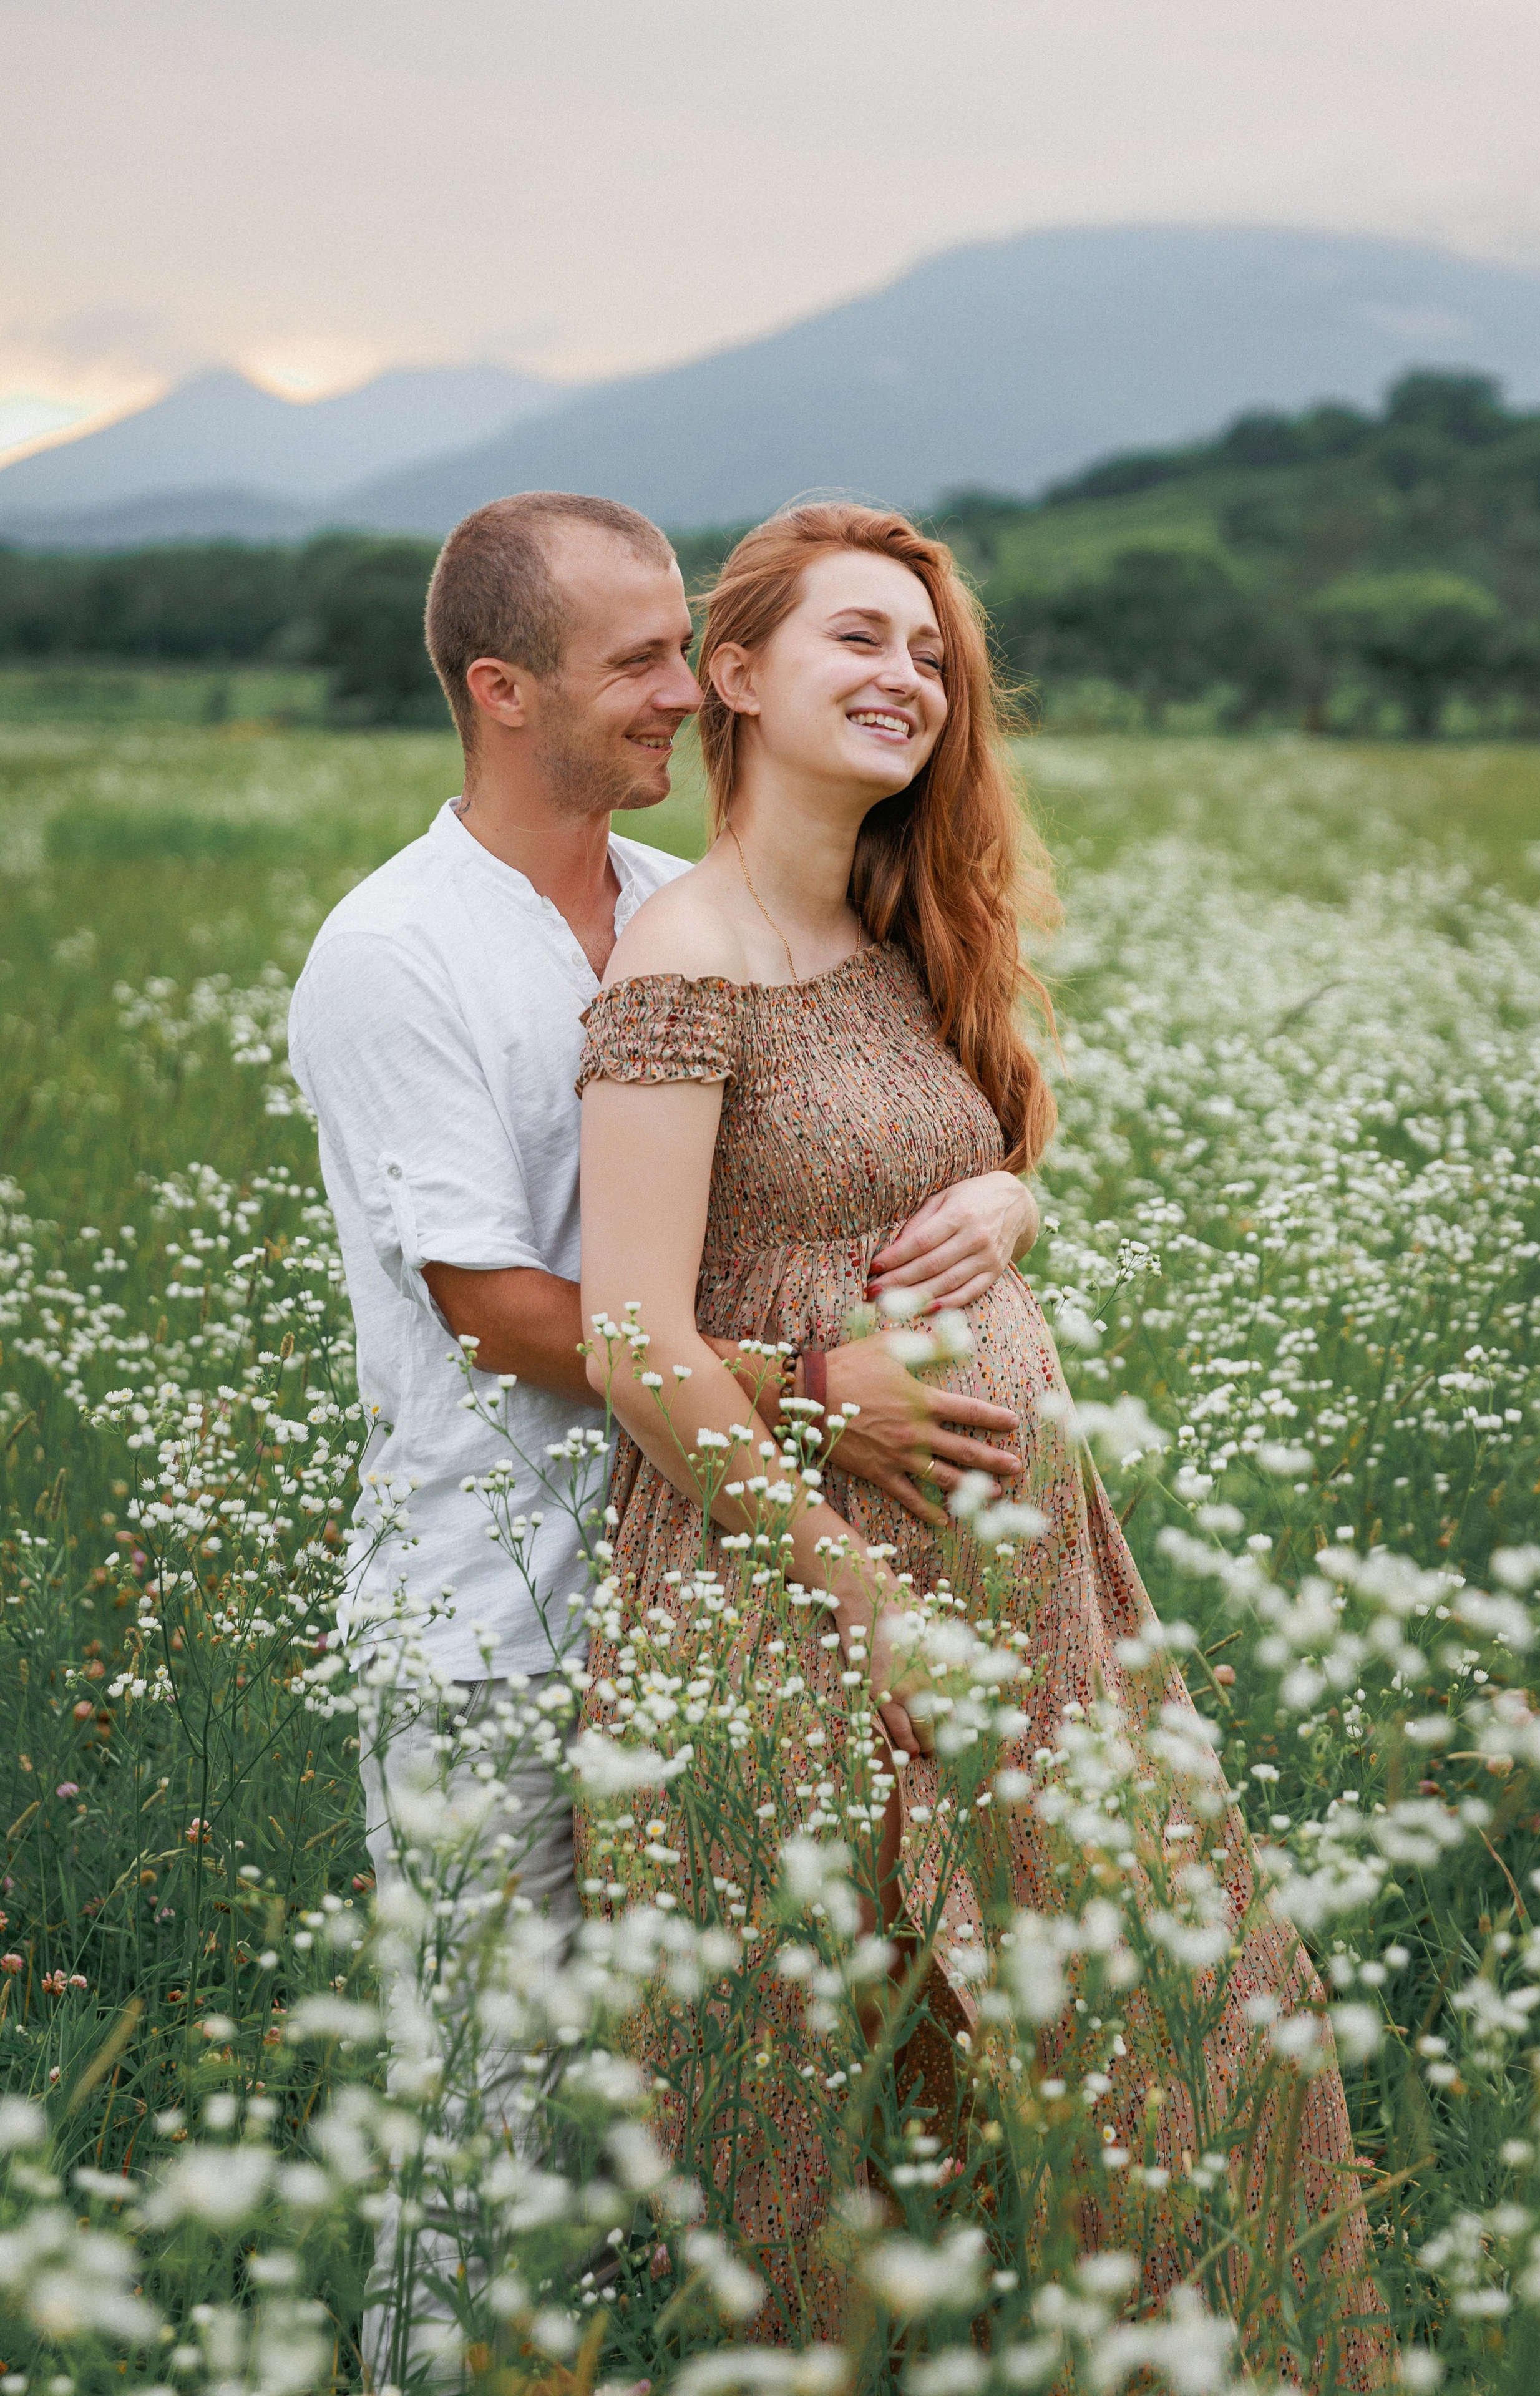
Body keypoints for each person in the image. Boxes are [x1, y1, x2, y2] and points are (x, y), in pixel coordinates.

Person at [575, 502, 1386, 2374]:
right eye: (858, 640)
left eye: (932, 657)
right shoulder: (682, 966)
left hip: (1019, 1603)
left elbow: (936, 1159)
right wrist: (870, 1606)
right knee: (823, 2122)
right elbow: (631, 1337)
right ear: (736, 675)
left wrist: (1011, 1197)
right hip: (801, 1605)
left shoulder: (880, 922)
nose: (907, 680)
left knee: (1177, 2026)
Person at [286, 489, 1035, 2380]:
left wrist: (1013, 1193)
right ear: (499, 686)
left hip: (696, 1602)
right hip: (497, 1620)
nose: (678, 694)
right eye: (634, 661)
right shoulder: (400, 953)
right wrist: (811, 1398)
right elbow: (495, 1302)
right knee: (490, 2131)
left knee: (692, 2136)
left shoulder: (659, 903)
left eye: (679, 646)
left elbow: (859, 1128)